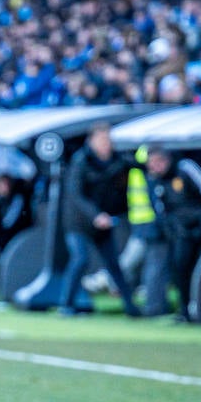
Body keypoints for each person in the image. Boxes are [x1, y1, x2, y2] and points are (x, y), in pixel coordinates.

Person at [56, 123, 140, 317]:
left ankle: (131, 307)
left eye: (108, 139)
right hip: (78, 222)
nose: (106, 144)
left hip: (103, 223)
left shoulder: (117, 160)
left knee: (113, 264)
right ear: (91, 140)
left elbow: (133, 169)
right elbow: (76, 195)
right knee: (80, 259)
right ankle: (66, 304)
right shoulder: (81, 161)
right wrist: (95, 215)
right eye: (102, 139)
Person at [140, 148, 201, 320]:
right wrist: (173, 229)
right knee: (180, 268)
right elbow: (161, 210)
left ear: (164, 159)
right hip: (182, 233)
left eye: (156, 163)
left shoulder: (186, 168)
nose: (153, 168)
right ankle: (186, 311)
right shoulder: (157, 180)